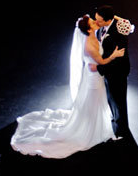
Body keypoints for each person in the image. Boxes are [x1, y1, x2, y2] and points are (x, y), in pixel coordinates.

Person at [10, 15, 125, 158]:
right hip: (94, 80)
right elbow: (101, 62)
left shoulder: (93, 36)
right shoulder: (89, 45)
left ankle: (96, 125)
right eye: (92, 22)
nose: (96, 22)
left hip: (95, 77)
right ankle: (92, 130)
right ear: (89, 29)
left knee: (96, 102)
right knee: (94, 101)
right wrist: (114, 55)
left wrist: (113, 17)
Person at [94, 5, 134, 140]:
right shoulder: (102, 25)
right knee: (111, 97)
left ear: (108, 20)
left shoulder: (120, 31)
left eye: (99, 20)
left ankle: (122, 129)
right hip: (108, 70)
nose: (96, 23)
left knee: (120, 100)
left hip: (118, 71)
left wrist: (100, 69)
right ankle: (114, 118)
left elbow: (118, 58)